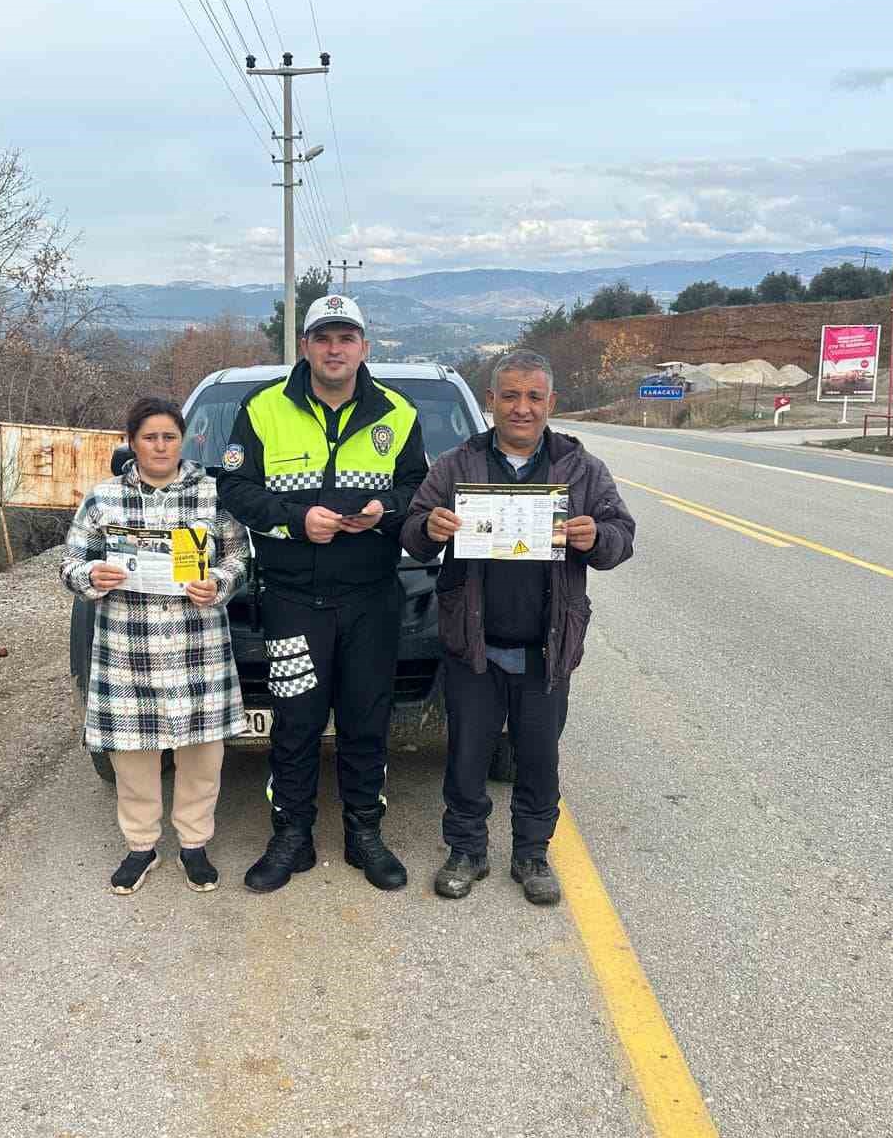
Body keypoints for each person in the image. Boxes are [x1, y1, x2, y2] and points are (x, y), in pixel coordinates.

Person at [402, 349, 635, 905]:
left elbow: (622, 535)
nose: (522, 408)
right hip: (473, 645)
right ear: (491, 402)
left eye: (534, 397)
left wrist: (595, 538)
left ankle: (532, 855)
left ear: (551, 403)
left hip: (545, 648)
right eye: (510, 395)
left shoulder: (582, 470)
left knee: (538, 759)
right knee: (467, 757)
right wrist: (430, 528)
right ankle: (466, 851)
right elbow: (410, 531)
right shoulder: (457, 465)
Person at [218, 293, 428, 893]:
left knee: (366, 721)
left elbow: (420, 490)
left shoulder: (398, 412)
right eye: (323, 338)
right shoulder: (261, 410)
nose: (335, 349)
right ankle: (292, 836)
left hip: (372, 600)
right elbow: (234, 487)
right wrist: (293, 520)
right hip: (291, 600)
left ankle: (366, 833)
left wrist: (384, 510)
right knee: (296, 721)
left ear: (364, 347)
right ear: (305, 345)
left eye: (347, 338)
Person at [61, 397, 250, 895]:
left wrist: (221, 583)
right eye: (150, 437)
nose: (160, 446)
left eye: (169, 436)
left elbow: (238, 555)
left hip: (197, 644)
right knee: (132, 754)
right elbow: (70, 563)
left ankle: (194, 844)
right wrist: (91, 575)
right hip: (128, 647)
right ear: (132, 441)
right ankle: (140, 847)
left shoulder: (214, 494)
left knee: (201, 753)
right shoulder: (103, 499)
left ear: (182, 439)